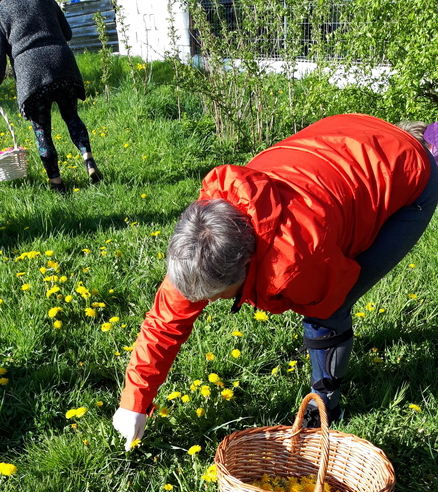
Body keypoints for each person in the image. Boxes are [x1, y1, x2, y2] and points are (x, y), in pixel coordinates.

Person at [113, 113, 438, 450]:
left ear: (245, 268)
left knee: (329, 309)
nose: (205, 303)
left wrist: (319, 324)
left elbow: (329, 297)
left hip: (406, 172)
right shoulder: (202, 244)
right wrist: (133, 403)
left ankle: (326, 406)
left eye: (213, 296)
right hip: (342, 140)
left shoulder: (297, 261)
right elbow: (165, 322)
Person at [0, 0, 102, 193]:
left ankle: (57, 183)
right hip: (61, 62)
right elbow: (68, 33)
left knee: (41, 131)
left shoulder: (2, 8)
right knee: (72, 116)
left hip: (31, 72)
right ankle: (88, 158)